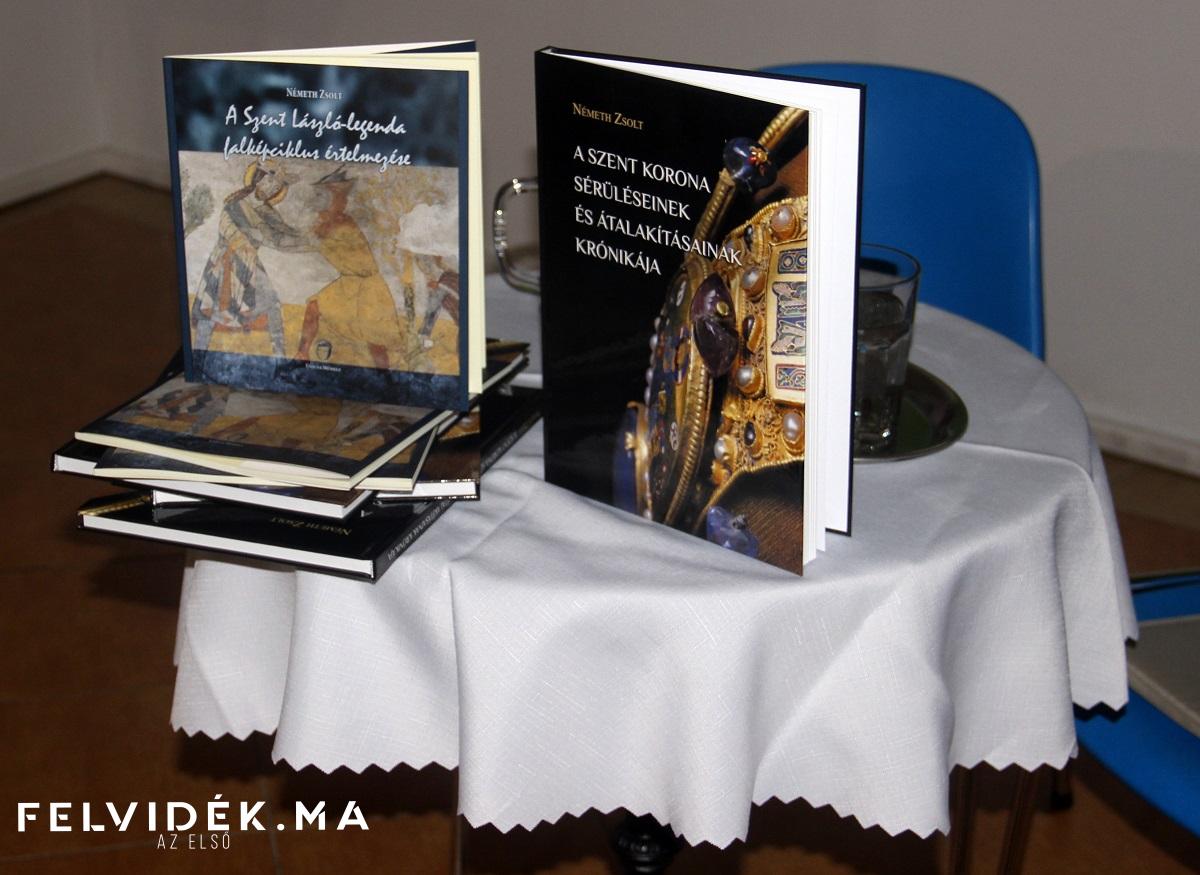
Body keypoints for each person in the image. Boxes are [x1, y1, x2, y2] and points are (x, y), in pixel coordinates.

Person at [191, 159, 306, 357]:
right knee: (208, 312)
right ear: (258, 179)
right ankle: (199, 356)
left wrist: (311, 240)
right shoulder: (234, 204)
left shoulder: (268, 213)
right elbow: (229, 231)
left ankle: (279, 358)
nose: (271, 189)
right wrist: (256, 236)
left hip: (251, 263)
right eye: (269, 182)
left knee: (272, 304)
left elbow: (283, 236)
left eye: (276, 187)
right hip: (226, 262)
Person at [296, 167, 402, 370]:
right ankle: (302, 353)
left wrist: (317, 225)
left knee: (374, 338)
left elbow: (323, 234)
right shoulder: (325, 221)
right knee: (313, 307)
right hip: (349, 281)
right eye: (338, 196)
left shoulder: (342, 222)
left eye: (342, 197)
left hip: (369, 284)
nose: (343, 201)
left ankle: (385, 375)